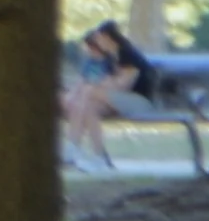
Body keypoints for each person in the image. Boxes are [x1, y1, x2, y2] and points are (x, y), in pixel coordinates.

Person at [62, 21, 147, 170]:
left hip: (140, 101)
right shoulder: (110, 57)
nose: (97, 41)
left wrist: (100, 85)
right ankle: (98, 157)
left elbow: (123, 85)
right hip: (117, 100)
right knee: (89, 107)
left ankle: (73, 146)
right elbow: (106, 82)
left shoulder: (126, 53)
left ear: (107, 37)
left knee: (88, 91)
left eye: (98, 37)